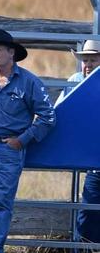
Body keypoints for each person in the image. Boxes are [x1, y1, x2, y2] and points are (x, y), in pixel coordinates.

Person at [0, 29, 56, 253]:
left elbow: (48, 117)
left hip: (9, 150)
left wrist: (22, 140)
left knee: (1, 202)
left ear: (12, 53)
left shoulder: (29, 82)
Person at [55, 39, 100, 242]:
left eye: (93, 60)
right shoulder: (75, 80)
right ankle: (86, 245)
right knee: (88, 210)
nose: (88, 64)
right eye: (85, 60)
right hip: (90, 158)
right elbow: (59, 111)